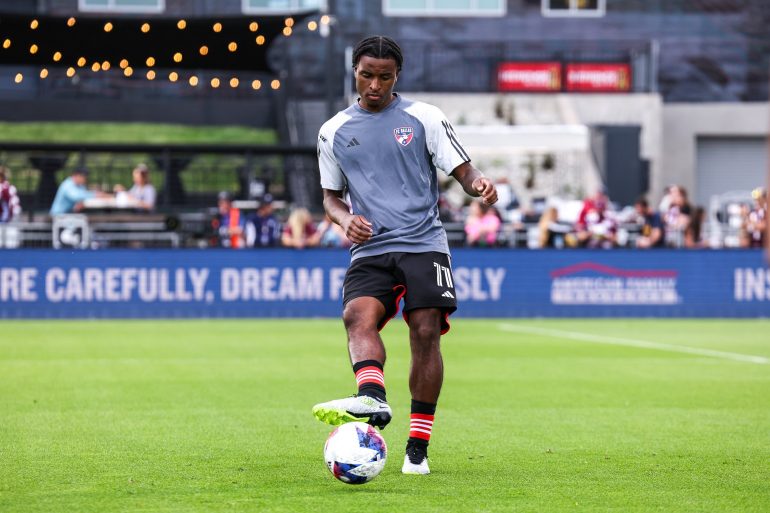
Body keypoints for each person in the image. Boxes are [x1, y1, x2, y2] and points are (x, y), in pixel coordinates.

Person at [311, 36, 498, 476]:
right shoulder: (333, 130)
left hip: (423, 242)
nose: (375, 85)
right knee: (357, 315)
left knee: (425, 331)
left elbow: (464, 171)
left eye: (384, 76)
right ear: (354, 72)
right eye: (367, 75)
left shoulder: (424, 118)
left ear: (397, 76)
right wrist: (343, 220)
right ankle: (372, 396)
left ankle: (418, 446)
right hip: (371, 245)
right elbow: (330, 198)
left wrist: (479, 185)